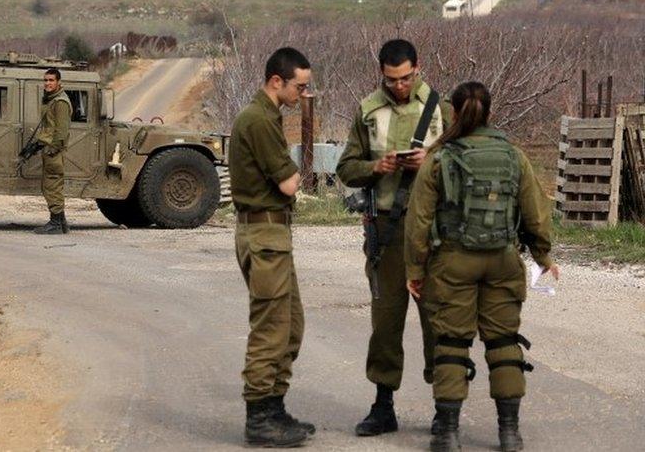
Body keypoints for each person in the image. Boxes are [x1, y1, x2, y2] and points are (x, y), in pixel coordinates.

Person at [404, 81, 558, 452]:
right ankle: (508, 433)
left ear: (454, 113)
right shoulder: (513, 155)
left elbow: (419, 220)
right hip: (503, 259)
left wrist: (415, 269)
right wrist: (543, 257)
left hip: (454, 261)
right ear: (489, 112)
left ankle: (448, 434)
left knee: (453, 342)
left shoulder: (439, 157)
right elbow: (536, 214)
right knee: (504, 341)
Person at [335, 39, 453, 436]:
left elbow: (467, 161)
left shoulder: (442, 109)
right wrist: (376, 166)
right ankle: (383, 406)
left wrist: (433, 159)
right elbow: (347, 168)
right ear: (381, 73)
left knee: (438, 321)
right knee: (385, 323)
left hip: (435, 232)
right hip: (386, 229)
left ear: (418, 68)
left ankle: (445, 409)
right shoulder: (368, 110)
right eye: (391, 80)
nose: (399, 86)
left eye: (406, 78)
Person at [229, 47, 314, 447]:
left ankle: (275, 407)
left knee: (290, 325)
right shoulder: (259, 120)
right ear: (276, 81)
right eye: (299, 86)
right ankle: (259, 416)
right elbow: (289, 183)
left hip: (273, 236)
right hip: (263, 237)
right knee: (270, 330)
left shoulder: (268, 116)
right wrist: (295, 168)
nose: (302, 94)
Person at [34, 68, 72, 234]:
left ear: (58, 82)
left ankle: (55, 224)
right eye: (46, 80)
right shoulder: (52, 99)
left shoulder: (60, 102)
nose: (48, 83)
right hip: (50, 148)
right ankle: (62, 223)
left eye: (51, 80)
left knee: (52, 185)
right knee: (51, 184)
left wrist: (52, 149)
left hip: (54, 150)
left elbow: (62, 131)